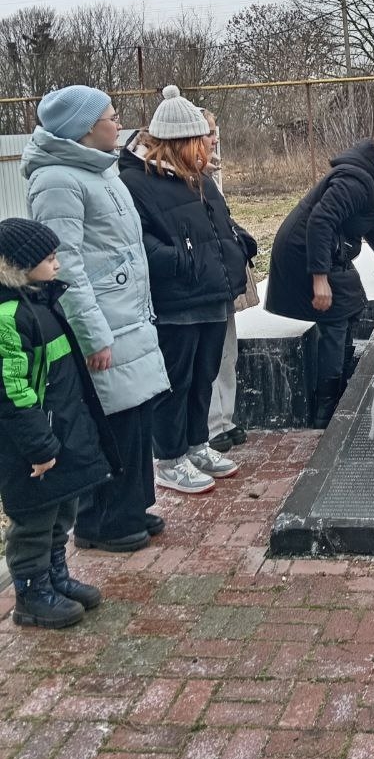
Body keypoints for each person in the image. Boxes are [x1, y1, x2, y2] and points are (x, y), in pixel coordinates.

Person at [22, 85, 170, 552]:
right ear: (87, 127)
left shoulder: (100, 171)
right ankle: (101, 522)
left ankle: (131, 507)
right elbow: (64, 266)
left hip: (129, 313)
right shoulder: (58, 181)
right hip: (104, 322)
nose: (118, 120)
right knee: (114, 420)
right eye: (111, 114)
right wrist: (92, 335)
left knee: (136, 412)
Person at [119, 87, 256, 494]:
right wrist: (178, 261)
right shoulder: (135, 182)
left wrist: (240, 243)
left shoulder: (201, 179)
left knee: (203, 377)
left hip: (214, 295)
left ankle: (197, 445)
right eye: (201, 140)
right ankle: (171, 458)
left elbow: (218, 224)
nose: (209, 147)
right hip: (177, 301)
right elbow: (136, 241)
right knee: (175, 382)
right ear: (178, 143)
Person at [0, 219, 121, 628]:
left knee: (61, 510)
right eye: (47, 257)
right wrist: (39, 446)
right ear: (20, 265)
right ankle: (32, 594)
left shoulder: (42, 301)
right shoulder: (9, 317)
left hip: (61, 433)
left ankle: (55, 575)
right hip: (32, 446)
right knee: (34, 518)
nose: (56, 262)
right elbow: (12, 392)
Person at [266, 124, 374, 427]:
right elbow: (320, 222)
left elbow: (371, 224)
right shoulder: (357, 181)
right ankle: (327, 406)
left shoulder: (370, 182)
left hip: (325, 252)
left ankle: (342, 380)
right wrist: (319, 277)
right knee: (335, 318)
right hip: (303, 253)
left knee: (352, 303)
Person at [199, 109, 256, 454]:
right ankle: (210, 424)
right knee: (209, 355)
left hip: (224, 281)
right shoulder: (187, 180)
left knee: (227, 354)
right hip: (205, 285)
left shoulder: (209, 176)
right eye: (208, 132)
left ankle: (226, 419)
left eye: (215, 130)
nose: (215, 137)